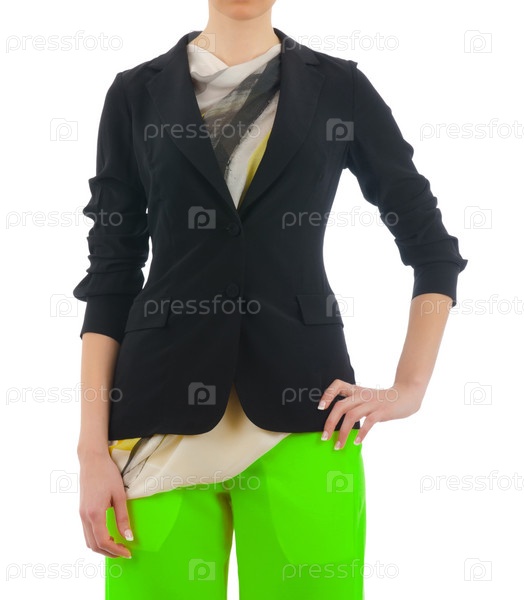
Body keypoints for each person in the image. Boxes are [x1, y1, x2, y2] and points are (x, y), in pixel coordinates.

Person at [74, 2, 468, 599]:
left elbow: (432, 249)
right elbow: (111, 276)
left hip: (309, 416)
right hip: (156, 418)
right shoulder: (134, 94)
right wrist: (89, 450)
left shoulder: (340, 88)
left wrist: (409, 388)